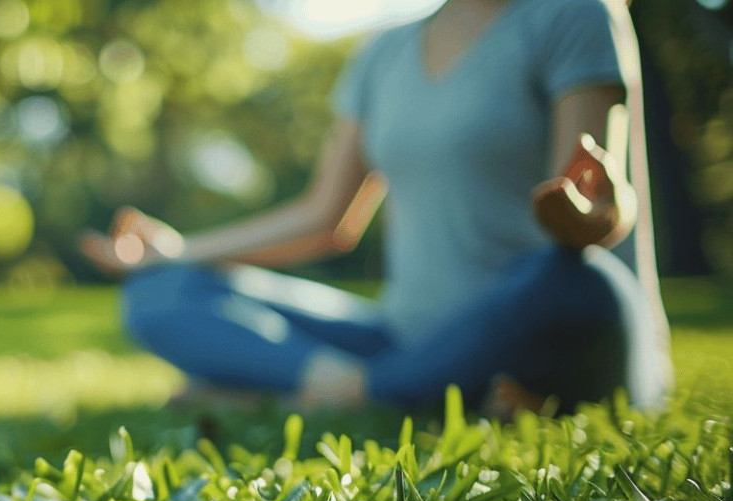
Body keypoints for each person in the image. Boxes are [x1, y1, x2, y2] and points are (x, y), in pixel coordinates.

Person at [79, 0, 672, 415]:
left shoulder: (573, 14)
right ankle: (380, 389)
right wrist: (177, 251)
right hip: (409, 336)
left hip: (545, 318)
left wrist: (582, 214)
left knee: (573, 278)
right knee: (160, 291)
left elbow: (598, 202)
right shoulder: (384, 53)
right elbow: (324, 218)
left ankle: (322, 394)